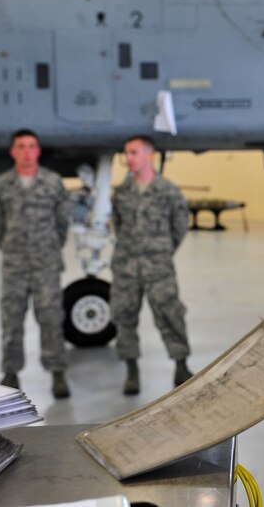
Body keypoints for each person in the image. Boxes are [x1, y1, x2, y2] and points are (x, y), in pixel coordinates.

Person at [0, 128, 72, 398]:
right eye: (21, 146)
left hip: (46, 264)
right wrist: (13, 249)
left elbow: (62, 224)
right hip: (14, 265)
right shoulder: (3, 184)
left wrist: (48, 248)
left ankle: (57, 371)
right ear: (13, 151)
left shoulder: (52, 182)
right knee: (11, 320)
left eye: (32, 146)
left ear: (38, 151)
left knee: (50, 318)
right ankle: (11, 372)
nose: (27, 151)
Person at [111, 135, 193, 394]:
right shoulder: (121, 193)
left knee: (170, 314)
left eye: (134, 152)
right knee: (124, 317)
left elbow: (179, 226)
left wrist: (162, 251)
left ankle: (181, 364)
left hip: (159, 268)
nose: (128, 159)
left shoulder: (168, 191)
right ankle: (131, 369)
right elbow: (119, 224)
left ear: (149, 155)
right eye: (126, 153)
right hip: (126, 266)